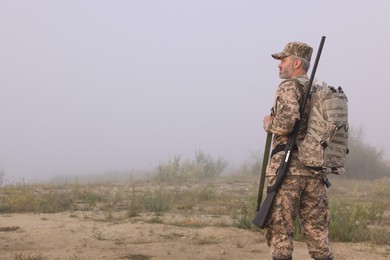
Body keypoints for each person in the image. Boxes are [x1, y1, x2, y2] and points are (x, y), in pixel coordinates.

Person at [262, 42, 333, 260]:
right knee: (317, 231)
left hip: (287, 170)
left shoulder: (289, 86)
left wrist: (268, 123)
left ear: (296, 63)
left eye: (283, 60)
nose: (279, 66)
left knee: (281, 230)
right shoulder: (320, 90)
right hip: (314, 169)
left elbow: (285, 124)